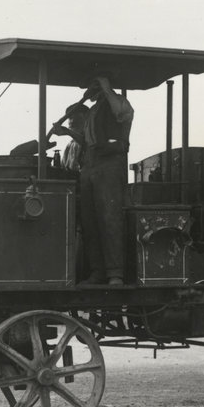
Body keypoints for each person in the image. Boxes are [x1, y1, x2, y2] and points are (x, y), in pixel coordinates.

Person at [76, 75, 134, 286]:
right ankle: (98, 271)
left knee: (110, 218)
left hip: (110, 163)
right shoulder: (94, 110)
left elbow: (121, 113)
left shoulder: (118, 103)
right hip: (91, 163)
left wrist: (107, 88)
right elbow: (88, 138)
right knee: (89, 221)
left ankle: (115, 274)